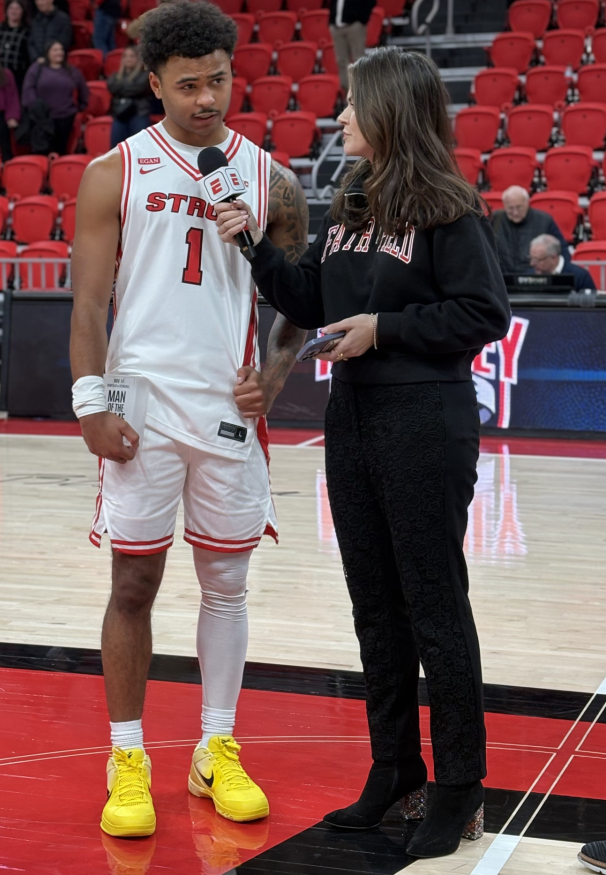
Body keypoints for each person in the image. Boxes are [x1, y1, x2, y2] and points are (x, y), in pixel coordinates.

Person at [215, 46, 510, 860]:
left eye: (351, 105)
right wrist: (253, 248)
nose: (339, 116)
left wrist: (386, 330)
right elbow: (308, 298)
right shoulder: (348, 204)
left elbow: (483, 312)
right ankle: (394, 770)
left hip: (425, 418)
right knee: (374, 608)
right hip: (351, 421)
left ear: (387, 112)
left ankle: (459, 788)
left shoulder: (449, 210)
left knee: (432, 607)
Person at [70, 0, 309, 840]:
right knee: (133, 583)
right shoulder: (115, 172)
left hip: (225, 410)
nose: (208, 98)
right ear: (156, 85)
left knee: (227, 584)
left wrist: (274, 377)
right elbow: (88, 305)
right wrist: (89, 403)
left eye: (219, 80)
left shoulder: (270, 177)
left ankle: (215, 748)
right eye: (189, 85)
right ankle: (126, 756)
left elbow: (297, 302)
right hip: (139, 406)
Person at [21, 41, 88, 156]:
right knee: (41, 153)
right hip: (42, 120)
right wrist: (36, 107)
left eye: (61, 50)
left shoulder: (72, 71)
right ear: (48, 53)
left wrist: (79, 107)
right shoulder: (37, 68)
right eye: (55, 50)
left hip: (65, 118)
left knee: (61, 152)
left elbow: (84, 91)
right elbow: (28, 89)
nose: (59, 52)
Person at [328, 0, 376, 90]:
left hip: (355, 25)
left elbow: (371, 0)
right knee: (341, 61)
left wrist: (361, 21)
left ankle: (362, 93)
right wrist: (331, 22)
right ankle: (348, 95)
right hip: (337, 26)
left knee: (358, 59)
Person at [491, 186, 569, 275]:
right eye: (510, 208)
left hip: (535, 277)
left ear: (527, 203)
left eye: (519, 207)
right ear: (504, 205)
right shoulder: (494, 220)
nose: (515, 212)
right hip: (502, 277)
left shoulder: (544, 221)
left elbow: (561, 250)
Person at [107, 45, 157, 148]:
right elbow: (111, 87)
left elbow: (138, 88)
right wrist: (128, 86)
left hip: (138, 114)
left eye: (131, 56)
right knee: (116, 149)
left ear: (138, 59)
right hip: (120, 114)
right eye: (125, 56)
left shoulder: (145, 75)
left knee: (139, 149)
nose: (128, 59)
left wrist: (120, 88)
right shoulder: (116, 75)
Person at [0, 0, 30, 91]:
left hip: (19, 76)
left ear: (22, 11)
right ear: (6, 11)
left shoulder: (27, 31)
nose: (13, 11)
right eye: (11, 8)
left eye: (17, 8)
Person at [529, 233, 596, 290]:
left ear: (553, 258)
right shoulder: (529, 276)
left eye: (537, 260)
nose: (532, 263)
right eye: (531, 258)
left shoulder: (580, 277)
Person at [28, 0, 73, 65]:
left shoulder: (63, 19)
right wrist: (36, 58)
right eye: (37, 0)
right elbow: (31, 43)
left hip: (56, 63)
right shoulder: (35, 20)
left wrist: (48, 58)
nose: (39, 3)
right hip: (37, 63)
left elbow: (64, 42)